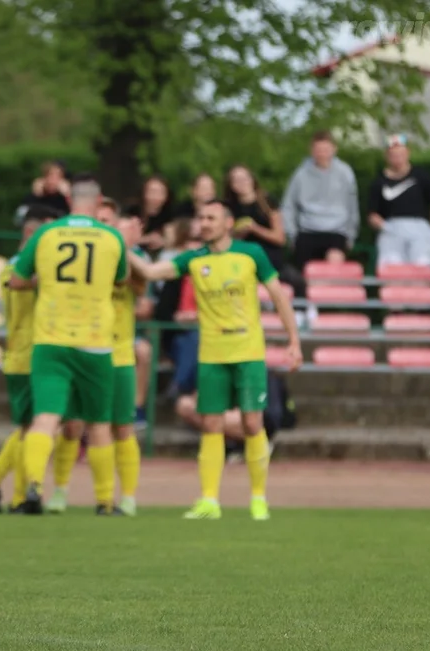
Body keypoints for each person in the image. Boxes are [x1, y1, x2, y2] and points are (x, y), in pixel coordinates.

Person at [130, 199, 302, 521]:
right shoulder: (193, 259)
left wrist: (294, 340)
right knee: (211, 423)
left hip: (248, 351)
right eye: (201, 217)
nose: (204, 223)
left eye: (211, 217)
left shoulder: (252, 254)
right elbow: (151, 272)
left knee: (252, 423)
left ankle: (258, 498)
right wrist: (122, 244)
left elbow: (279, 296)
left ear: (227, 222)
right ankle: (209, 500)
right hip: (211, 354)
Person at [9, 173, 129, 516]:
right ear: (98, 199)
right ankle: (105, 501)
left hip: (50, 338)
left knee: (46, 417)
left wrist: (40, 281)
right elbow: (120, 279)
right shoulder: (111, 236)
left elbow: (17, 279)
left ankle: (32, 488)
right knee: (99, 423)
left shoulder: (47, 233)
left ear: (69, 200)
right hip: (95, 339)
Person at [48, 213, 148, 517]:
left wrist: (126, 251)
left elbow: (142, 291)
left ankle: (127, 497)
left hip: (118, 354)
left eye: (111, 222)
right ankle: (61, 491)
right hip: (83, 347)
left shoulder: (134, 259)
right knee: (72, 425)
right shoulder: (84, 256)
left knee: (122, 427)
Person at [0, 205, 59, 514]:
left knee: (29, 427)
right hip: (30, 355)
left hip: (22, 354)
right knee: (37, 427)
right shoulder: (22, 272)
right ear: (31, 234)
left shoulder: (14, 268)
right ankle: (22, 495)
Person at [280, 130, 360, 269]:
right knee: (304, 273)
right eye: (318, 150)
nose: (322, 153)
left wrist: (350, 235)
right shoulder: (300, 174)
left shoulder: (345, 173)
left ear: (334, 149)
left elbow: (352, 206)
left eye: (326, 149)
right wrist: (292, 235)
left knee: (333, 266)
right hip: (307, 231)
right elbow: (288, 206)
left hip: (337, 231)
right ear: (311, 150)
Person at [368, 134, 430, 270]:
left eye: (401, 154)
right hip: (391, 229)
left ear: (408, 153)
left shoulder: (422, 176)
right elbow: (372, 214)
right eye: (393, 155)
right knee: (392, 269)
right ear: (387, 156)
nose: (397, 158)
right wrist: (385, 227)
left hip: (420, 229)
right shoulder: (378, 182)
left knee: (422, 268)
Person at [224, 164, 302, 294]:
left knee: (298, 282)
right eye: (237, 180)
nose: (242, 183)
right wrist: (238, 233)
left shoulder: (267, 201)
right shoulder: (229, 207)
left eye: (245, 178)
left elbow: (280, 238)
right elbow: (226, 241)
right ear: (231, 185)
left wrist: (255, 229)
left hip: (270, 259)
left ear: (252, 180)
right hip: (243, 261)